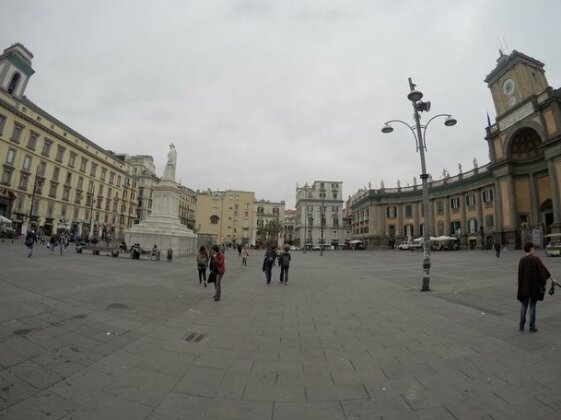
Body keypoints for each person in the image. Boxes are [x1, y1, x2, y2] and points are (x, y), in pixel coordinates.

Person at [517, 242, 554, 333]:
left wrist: (520, 287)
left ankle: (521, 325)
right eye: (533, 248)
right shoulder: (535, 259)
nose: (534, 250)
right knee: (532, 306)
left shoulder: (522, 260)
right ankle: (532, 327)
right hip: (534, 288)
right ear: (531, 249)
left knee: (524, 306)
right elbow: (543, 270)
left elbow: (520, 276)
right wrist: (552, 279)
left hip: (524, 288)